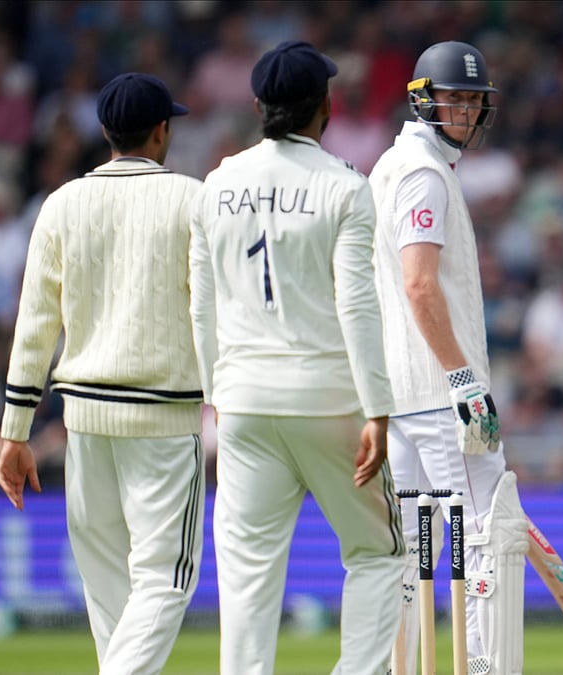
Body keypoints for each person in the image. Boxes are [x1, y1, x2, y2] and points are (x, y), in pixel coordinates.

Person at [188, 41, 402, 675]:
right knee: (377, 552)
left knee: (247, 573)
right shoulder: (344, 187)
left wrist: (214, 400)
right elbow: (358, 307)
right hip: (329, 398)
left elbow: (201, 308)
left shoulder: (217, 183)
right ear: (324, 106)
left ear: (259, 105)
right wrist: (379, 410)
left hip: (244, 404)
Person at [0, 72, 205, 675]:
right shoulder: (193, 200)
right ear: (162, 130)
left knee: (110, 588)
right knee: (166, 579)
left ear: (106, 132)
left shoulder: (61, 204)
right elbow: (212, 308)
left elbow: (35, 323)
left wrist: (14, 431)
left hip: (85, 422)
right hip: (164, 417)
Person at [369, 41, 529, 675]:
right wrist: (464, 381)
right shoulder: (423, 173)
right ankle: (486, 667)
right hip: (441, 398)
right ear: (423, 100)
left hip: (403, 396)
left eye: (471, 100)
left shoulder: (390, 164)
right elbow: (418, 283)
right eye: (452, 99)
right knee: (489, 539)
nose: (462, 112)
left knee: (412, 552)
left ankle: (399, 668)